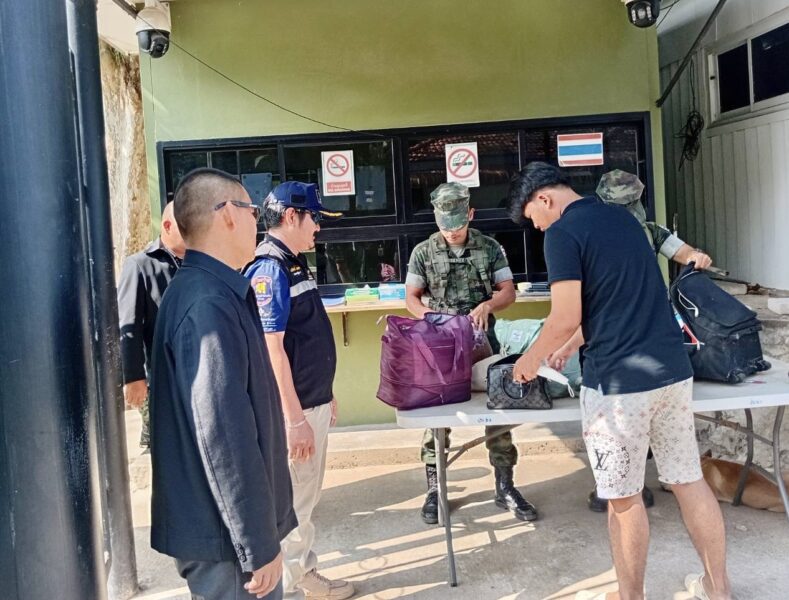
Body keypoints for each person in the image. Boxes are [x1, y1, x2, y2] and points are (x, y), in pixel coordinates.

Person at [507, 162, 731, 600]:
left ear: (544, 198)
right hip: (671, 372)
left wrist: (530, 360)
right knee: (688, 481)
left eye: (534, 218)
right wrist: (571, 344)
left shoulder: (562, 234)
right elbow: (616, 301)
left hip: (618, 386)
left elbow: (564, 315)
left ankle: (630, 597)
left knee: (623, 499)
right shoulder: (625, 220)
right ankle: (717, 589)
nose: (538, 228)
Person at [150, 168, 296, 600]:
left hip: (226, 531)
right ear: (229, 214)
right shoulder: (207, 303)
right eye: (253, 211)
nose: (258, 223)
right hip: (227, 540)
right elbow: (224, 436)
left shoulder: (208, 289)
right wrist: (257, 543)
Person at [554, 169, 713, 513]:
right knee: (632, 453)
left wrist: (696, 257)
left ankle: (628, 488)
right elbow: (595, 313)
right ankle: (621, 487)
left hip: (645, 339)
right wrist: (567, 346)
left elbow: (684, 252)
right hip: (623, 348)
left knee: (642, 450)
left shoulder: (648, 230)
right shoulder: (593, 233)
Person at [244, 181, 354, 600]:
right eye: (315, 219)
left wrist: (325, 393)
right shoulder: (270, 270)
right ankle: (292, 582)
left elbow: (302, 341)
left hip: (311, 402)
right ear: (292, 216)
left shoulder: (291, 264)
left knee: (303, 498)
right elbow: (272, 350)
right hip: (297, 412)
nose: (319, 228)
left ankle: (298, 575)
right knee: (294, 504)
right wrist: (294, 419)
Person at [405, 182, 538, 525]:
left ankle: (505, 486)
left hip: (483, 343)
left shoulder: (489, 247)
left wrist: (488, 305)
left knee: (498, 412)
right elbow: (411, 299)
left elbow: (508, 292)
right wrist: (432, 317)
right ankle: (436, 490)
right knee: (437, 419)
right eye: (444, 225)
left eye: (457, 224)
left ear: (471, 214)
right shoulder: (423, 251)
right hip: (441, 346)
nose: (451, 232)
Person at [117, 201, 185, 449]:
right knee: (166, 446)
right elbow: (129, 324)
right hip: (161, 377)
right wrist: (134, 377)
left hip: (195, 372)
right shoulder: (140, 265)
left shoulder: (199, 262)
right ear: (167, 226)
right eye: (185, 224)